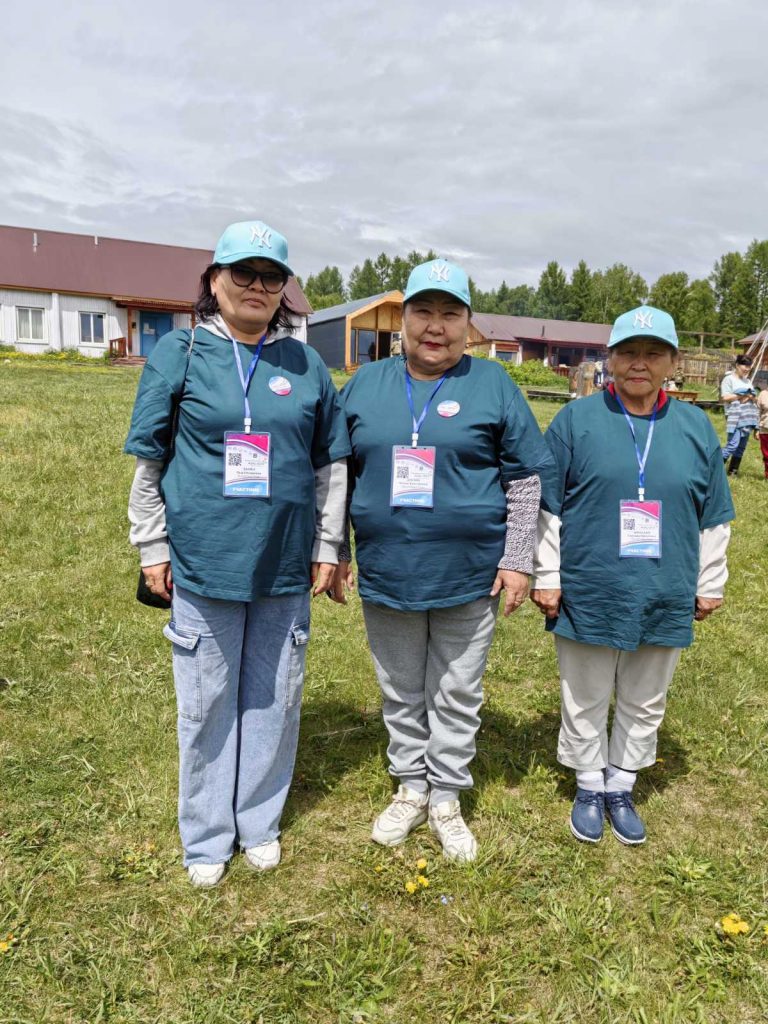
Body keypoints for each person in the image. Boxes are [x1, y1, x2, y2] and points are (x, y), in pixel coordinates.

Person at [124, 220, 350, 887]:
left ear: (283, 289)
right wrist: (152, 546)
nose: (257, 286)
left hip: (285, 562)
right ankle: (206, 837)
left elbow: (330, 464)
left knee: (274, 697)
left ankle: (258, 822)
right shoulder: (182, 353)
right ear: (214, 279)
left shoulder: (304, 364)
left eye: (271, 276)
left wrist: (328, 544)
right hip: (203, 561)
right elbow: (149, 464)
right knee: (207, 700)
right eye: (243, 272)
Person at [330, 259, 553, 862]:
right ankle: (410, 787)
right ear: (403, 319)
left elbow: (525, 479)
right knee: (401, 687)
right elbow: (337, 474)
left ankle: (447, 796)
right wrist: (336, 549)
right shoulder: (366, 385)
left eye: (450, 314)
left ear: (468, 325)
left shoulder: (493, 384)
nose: (436, 326)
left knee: (456, 690)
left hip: (470, 573)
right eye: (423, 312)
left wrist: (517, 558)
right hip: (389, 570)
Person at [531, 305, 734, 846]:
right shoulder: (575, 421)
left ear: (673, 363)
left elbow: (715, 513)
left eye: (652, 353)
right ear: (610, 360)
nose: (639, 363)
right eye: (627, 353)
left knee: (646, 694)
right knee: (585, 690)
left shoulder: (695, 427)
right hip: (591, 581)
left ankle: (621, 783)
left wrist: (710, 581)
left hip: (666, 582)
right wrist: (546, 574)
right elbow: (548, 507)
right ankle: (588, 782)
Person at [721, 384, 758, 475]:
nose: (748, 398)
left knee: (741, 448)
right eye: (746, 395)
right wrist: (744, 396)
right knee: (732, 446)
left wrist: (756, 428)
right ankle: (715, 466)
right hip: (736, 425)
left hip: (747, 425)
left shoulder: (752, 404)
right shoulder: (735, 403)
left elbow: (756, 413)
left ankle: (732, 471)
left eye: (750, 396)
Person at [757, 383, 768, 479]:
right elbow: (757, 412)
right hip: (764, 428)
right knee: (766, 453)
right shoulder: (763, 394)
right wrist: (756, 429)